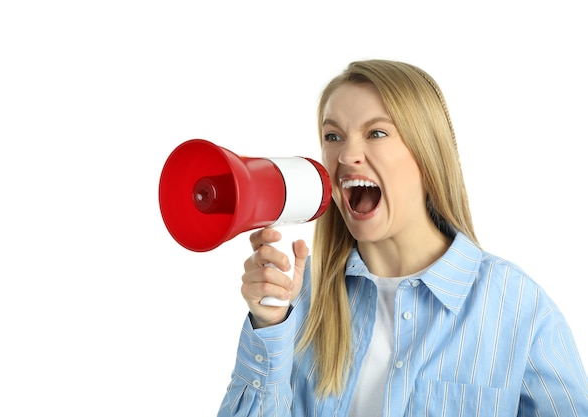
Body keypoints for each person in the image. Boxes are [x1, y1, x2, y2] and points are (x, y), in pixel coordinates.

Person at [216, 59, 588, 416]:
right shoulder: (298, 299)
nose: (346, 155)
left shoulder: (519, 308)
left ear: (427, 154)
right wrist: (268, 325)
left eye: (376, 133)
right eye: (333, 136)